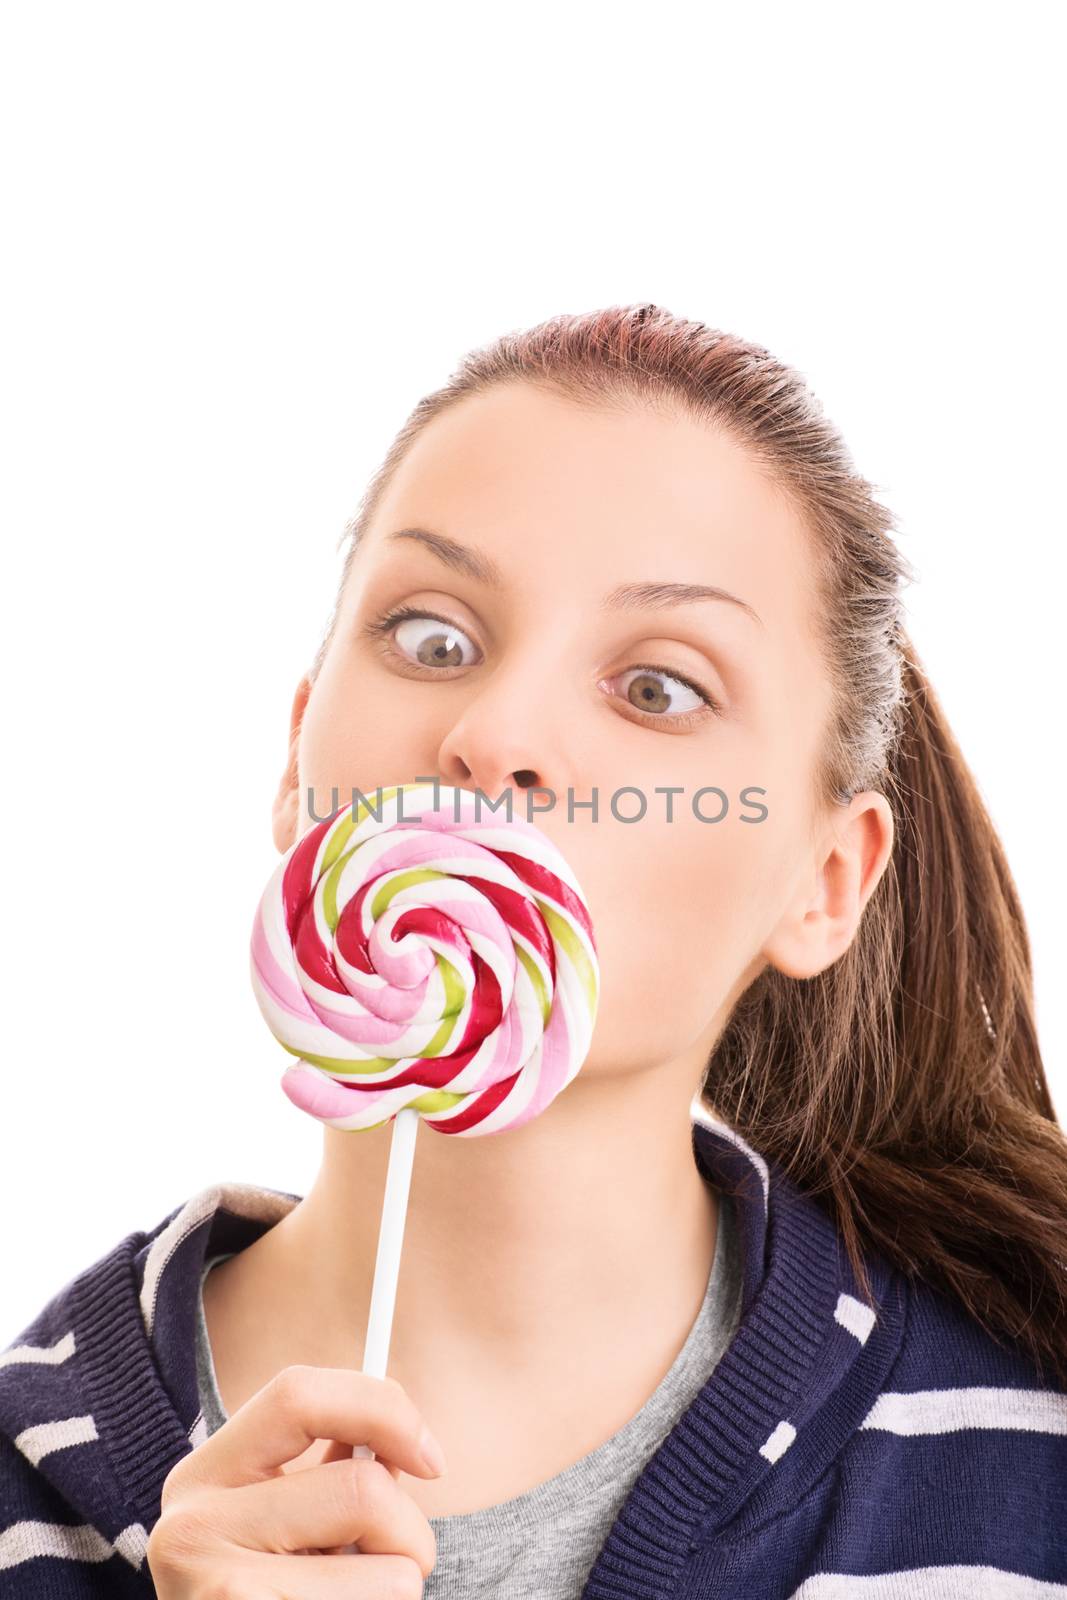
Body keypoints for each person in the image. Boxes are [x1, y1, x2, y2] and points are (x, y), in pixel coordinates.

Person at [2, 302, 1065, 1598]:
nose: (496, 731)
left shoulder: (1027, 1481)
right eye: (433, 637)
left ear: (824, 881)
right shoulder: (22, 1496)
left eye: (659, 685)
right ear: (298, 762)